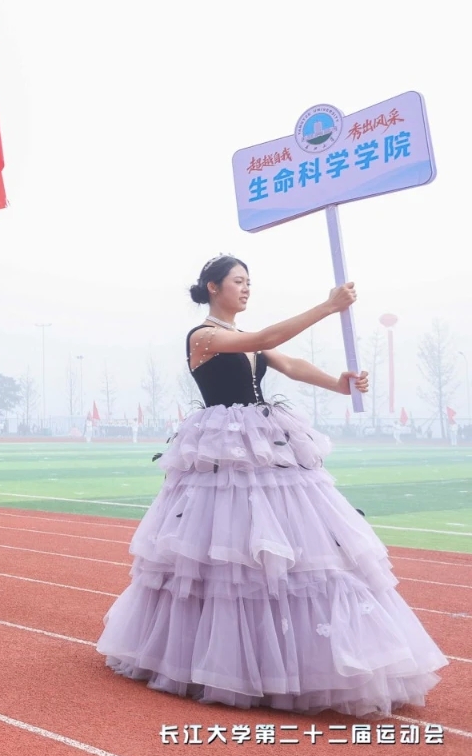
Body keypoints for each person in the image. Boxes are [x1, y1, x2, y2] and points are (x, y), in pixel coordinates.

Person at [96, 255, 448, 716]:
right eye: (238, 281)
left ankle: (287, 660)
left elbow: (290, 362)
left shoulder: (244, 338)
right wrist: (326, 308)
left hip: (269, 445)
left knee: (296, 553)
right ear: (212, 286)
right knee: (227, 558)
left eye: (249, 282)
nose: (246, 289)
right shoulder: (204, 336)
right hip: (225, 452)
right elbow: (266, 339)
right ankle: (224, 662)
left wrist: (339, 385)